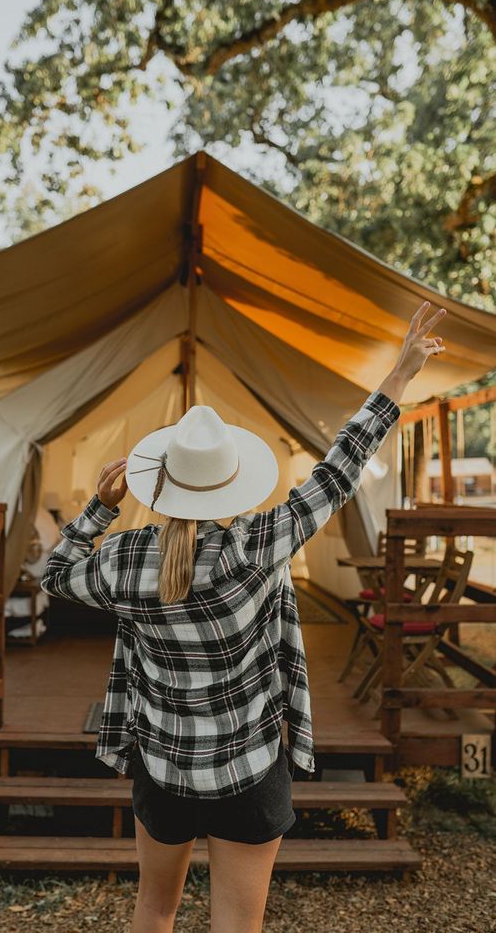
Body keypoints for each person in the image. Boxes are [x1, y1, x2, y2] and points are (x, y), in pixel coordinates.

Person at [41, 300, 447, 933]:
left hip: (163, 769)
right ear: (229, 482)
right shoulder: (257, 545)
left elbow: (56, 574)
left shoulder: (125, 558)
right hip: (249, 772)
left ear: (161, 483)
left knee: (154, 909)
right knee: (238, 923)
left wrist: (98, 509)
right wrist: (399, 375)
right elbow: (339, 470)